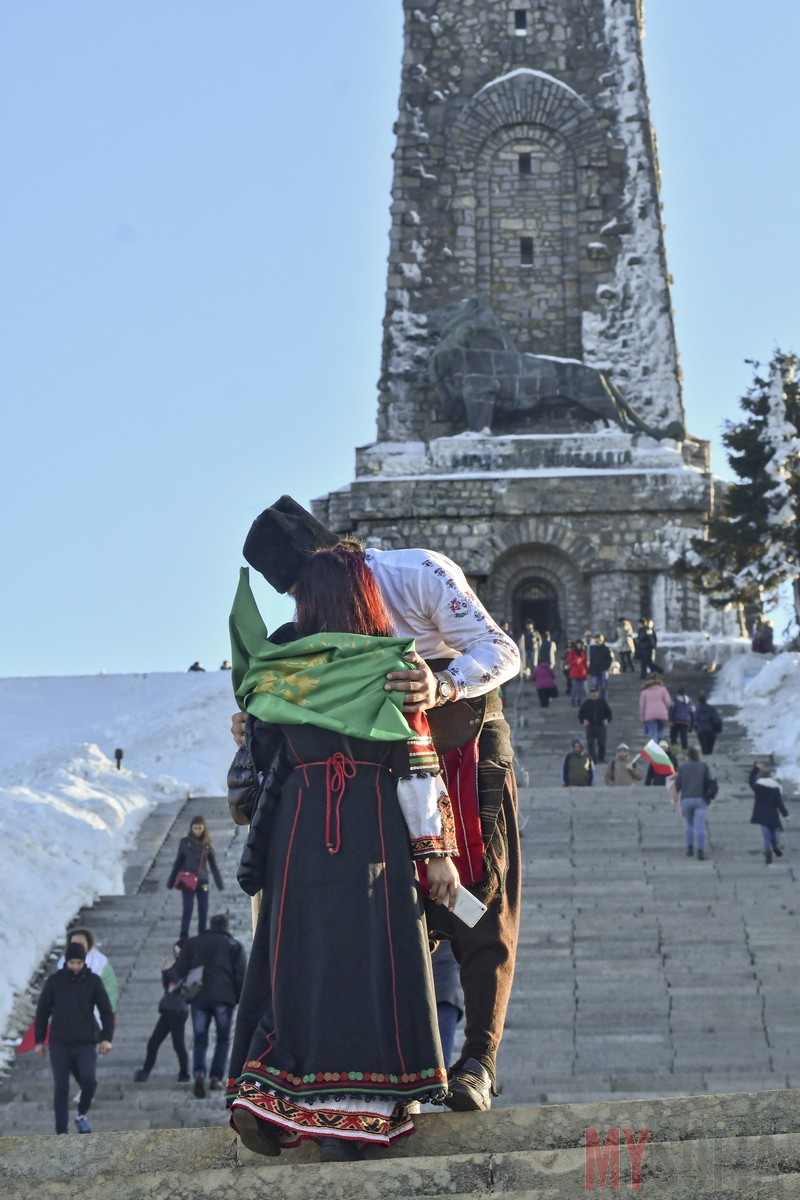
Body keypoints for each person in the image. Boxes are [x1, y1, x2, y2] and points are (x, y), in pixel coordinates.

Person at [235, 495, 521, 1116]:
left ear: (336, 560)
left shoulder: (418, 572)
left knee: (478, 889)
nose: (304, 605)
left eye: (309, 587)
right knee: (393, 905)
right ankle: (404, 1064)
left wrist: (439, 685)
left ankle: (478, 1057)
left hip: (462, 731)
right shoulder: (309, 617)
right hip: (377, 763)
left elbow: (503, 650)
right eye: (294, 596)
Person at [227, 548, 457, 1161]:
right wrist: (435, 851)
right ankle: (364, 1105)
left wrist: (248, 724)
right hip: (371, 825)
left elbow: (260, 758)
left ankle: (279, 1094)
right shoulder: (392, 664)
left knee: (296, 959)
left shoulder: (282, 669)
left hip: (298, 832)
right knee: (373, 959)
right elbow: (416, 763)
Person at [34, 940, 113, 1134]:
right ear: (66, 962)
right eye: (72, 963)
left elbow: (105, 1010)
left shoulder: (93, 981)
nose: (75, 966)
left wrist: (106, 1037)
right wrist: (39, 1040)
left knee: (89, 1081)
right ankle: (61, 1131)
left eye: (78, 963)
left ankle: (80, 1114)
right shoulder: (55, 981)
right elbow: (42, 1011)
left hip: (85, 1042)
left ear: (84, 962)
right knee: (61, 1087)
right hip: (59, 1044)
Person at [169, 912, 247, 1098]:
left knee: (200, 1038)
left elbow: (178, 970)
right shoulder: (234, 945)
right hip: (224, 998)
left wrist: (183, 986)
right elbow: (241, 976)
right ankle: (216, 1078)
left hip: (199, 997)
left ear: (210, 925)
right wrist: (238, 999)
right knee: (222, 1039)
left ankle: (198, 1073)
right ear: (227, 928)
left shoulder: (194, 943)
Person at [134, 939, 190, 1083]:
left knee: (178, 1044)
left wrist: (169, 971)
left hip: (178, 1009)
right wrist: (165, 971)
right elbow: (168, 987)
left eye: (179, 951)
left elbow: (181, 985)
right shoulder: (176, 966)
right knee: (153, 1043)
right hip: (168, 1008)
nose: (177, 953)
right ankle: (145, 1072)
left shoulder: (189, 967)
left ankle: (184, 1073)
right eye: (175, 950)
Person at [166, 815, 225, 937]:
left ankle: (202, 935)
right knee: (188, 909)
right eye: (195, 828)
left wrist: (219, 883)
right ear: (191, 828)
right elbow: (178, 862)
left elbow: (213, 865)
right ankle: (184, 935)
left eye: (200, 828)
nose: (198, 830)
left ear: (204, 829)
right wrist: (171, 881)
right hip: (187, 881)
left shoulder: (207, 844)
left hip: (203, 882)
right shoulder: (184, 842)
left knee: (203, 910)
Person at [674, 746, 716, 861]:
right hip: (700, 799)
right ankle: (701, 850)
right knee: (700, 827)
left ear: (687, 756)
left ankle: (690, 848)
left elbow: (677, 786)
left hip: (686, 799)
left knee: (689, 824)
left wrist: (676, 798)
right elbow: (709, 782)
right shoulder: (703, 766)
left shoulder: (682, 768)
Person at [749, 762, 789, 864]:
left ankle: (768, 856)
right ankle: (775, 846)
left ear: (761, 777)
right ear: (770, 777)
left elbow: (750, 780)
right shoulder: (776, 788)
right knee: (773, 832)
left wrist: (756, 768)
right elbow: (780, 803)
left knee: (766, 836)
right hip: (772, 815)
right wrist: (785, 814)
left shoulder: (758, 787)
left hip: (762, 814)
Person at [577, 686, 612, 764]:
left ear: (598, 693)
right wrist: (583, 720)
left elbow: (608, 713)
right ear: (590, 694)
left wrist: (607, 719)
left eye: (595, 693)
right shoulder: (586, 703)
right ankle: (593, 759)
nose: (594, 694)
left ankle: (601, 758)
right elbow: (580, 714)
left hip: (600, 726)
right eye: (592, 693)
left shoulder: (602, 702)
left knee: (602, 743)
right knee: (591, 744)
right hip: (590, 726)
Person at [639, 675, 672, 742]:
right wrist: (664, 709)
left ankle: (654, 749)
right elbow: (668, 702)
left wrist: (643, 718)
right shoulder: (663, 689)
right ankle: (662, 746)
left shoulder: (644, 692)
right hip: (662, 714)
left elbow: (642, 706)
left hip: (650, 715)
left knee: (652, 733)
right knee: (661, 731)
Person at [694, 692, 723, 756]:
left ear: (698, 701)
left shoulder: (697, 709)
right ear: (706, 700)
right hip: (711, 731)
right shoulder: (711, 708)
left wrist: (696, 728)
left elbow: (694, 721)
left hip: (701, 731)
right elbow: (717, 720)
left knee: (704, 749)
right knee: (710, 748)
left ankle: (706, 759)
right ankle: (709, 758)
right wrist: (718, 729)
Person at [588, 633, 614, 700]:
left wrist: (606, 666)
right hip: (594, 670)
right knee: (594, 685)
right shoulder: (592, 649)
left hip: (603, 670)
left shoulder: (606, 649)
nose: (598, 641)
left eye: (599, 640)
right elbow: (590, 659)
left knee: (603, 686)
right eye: (597, 640)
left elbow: (610, 659)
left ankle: (603, 699)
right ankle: (595, 699)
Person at [567, 638, 589, 707]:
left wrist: (586, 671)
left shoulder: (583, 653)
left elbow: (585, 663)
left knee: (580, 688)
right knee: (574, 687)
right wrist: (576, 661)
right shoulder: (572, 652)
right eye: (578, 644)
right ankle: (573, 700)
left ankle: (579, 701)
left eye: (580, 644)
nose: (579, 646)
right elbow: (569, 661)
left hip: (582, 672)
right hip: (574, 672)